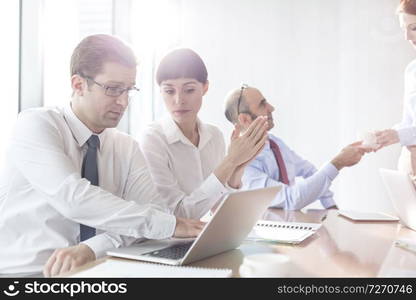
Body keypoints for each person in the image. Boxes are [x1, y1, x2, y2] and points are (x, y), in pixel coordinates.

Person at [0, 35, 204, 277]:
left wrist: (93, 247)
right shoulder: (36, 125)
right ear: (78, 85)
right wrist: (171, 225)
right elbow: (74, 198)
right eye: (112, 89)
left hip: (98, 268)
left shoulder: (125, 146)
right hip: (27, 274)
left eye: (128, 90)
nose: (123, 101)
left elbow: (150, 213)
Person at [140, 48, 268, 219]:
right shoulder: (152, 139)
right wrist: (230, 161)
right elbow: (178, 216)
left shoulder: (214, 136)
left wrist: (237, 169)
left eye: (189, 90)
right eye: (169, 91)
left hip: (206, 237)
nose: (179, 100)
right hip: (167, 242)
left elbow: (220, 211)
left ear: (205, 87)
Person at [224, 85, 370, 210]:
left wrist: (330, 207)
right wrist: (338, 162)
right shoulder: (243, 165)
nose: (271, 108)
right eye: (262, 104)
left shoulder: (274, 143)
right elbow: (290, 199)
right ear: (244, 119)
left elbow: (310, 172)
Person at [375, 0, 416, 175]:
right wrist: (388, 135)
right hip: (410, 167)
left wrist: (399, 135)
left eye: (413, 28)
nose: (406, 37)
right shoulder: (412, 70)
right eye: (403, 29)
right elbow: (409, 122)